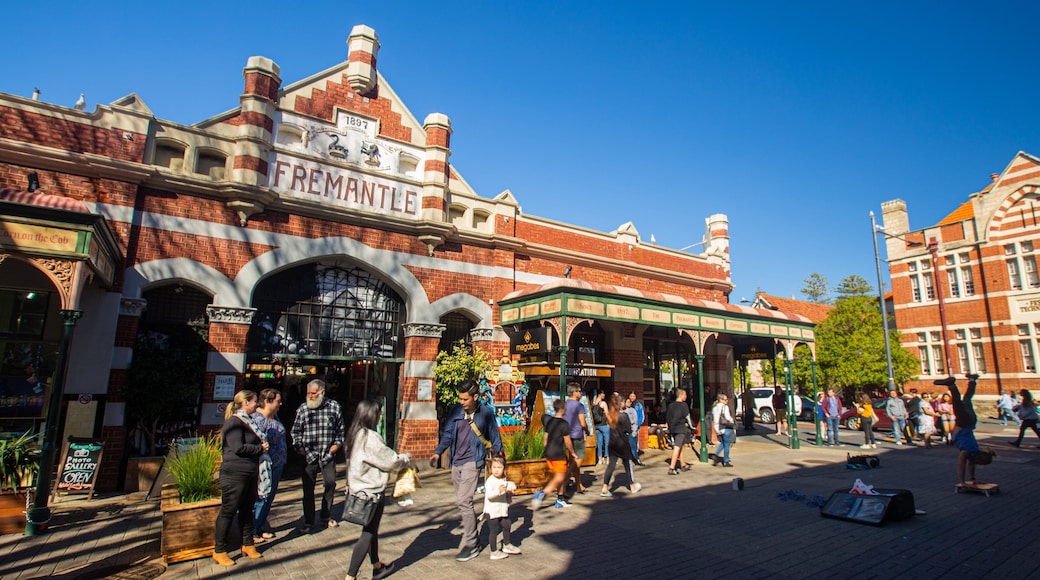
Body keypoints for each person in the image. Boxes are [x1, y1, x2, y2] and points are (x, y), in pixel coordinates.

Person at [430, 379, 503, 562]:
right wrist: (438, 453)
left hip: (473, 460)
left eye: (465, 399)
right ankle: (473, 538)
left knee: (464, 500)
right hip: (456, 461)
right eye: (460, 398)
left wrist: (500, 458)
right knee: (462, 501)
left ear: (475, 397)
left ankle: (472, 543)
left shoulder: (485, 413)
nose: (461, 402)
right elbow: (447, 433)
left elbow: (494, 435)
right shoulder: (455, 411)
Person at [344, 399, 409, 580]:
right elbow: (390, 460)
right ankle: (350, 576)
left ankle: (377, 566)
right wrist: (405, 458)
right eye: (379, 413)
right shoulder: (369, 437)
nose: (380, 416)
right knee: (368, 533)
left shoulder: (354, 434)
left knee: (371, 529)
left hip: (358, 489)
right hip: (370, 492)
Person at [213, 390, 268, 567]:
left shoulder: (249, 421)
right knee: (229, 510)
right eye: (254, 401)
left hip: (250, 472)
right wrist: (260, 448)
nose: (257, 404)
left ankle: (247, 544)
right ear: (245, 403)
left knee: (247, 509)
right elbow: (238, 447)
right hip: (234, 472)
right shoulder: (234, 422)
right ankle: (220, 549)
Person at [290, 379, 344, 532]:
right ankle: (308, 521)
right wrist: (299, 448)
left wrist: (336, 446)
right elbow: (295, 431)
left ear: (322, 392)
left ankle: (325, 516)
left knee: (330, 484)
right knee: (308, 489)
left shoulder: (334, 407)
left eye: (313, 393)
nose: (310, 396)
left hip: (327, 454)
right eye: (308, 393)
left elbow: (340, 430)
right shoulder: (303, 409)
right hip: (309, 455)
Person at [252, 388, 286, 542]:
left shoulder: (275, 417)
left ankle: (260, 526)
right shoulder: (258, 420)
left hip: (277, 463)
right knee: (261, 496)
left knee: (269, 496)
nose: (280, 404)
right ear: (267, 401)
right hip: (265, 464)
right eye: (277, 401)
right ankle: (252, 530)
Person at [531, 399, 575, 510]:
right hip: (558, 453)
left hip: (549, 453)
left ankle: (560, 499)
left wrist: (546, 449)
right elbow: (568, 441)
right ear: (562, 409)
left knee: (557, 475)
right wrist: (573, 452)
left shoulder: (550, 422)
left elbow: (545, 438)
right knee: (560, 477)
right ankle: (542, 493)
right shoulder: (564, 424)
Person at [600, 393, 641, 496]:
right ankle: (632, 485)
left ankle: (605, 486)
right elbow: (628, 429)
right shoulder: (623, 415)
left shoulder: (611, 415)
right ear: (620, 403)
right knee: (627, 464)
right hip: (623, 443)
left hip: (612, 443)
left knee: (611, 465)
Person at [484, 456, 521, 560]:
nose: (496, 470)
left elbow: (507, 492)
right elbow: (490, 495)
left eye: (499, 467)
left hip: (502, 510)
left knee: (507, 524)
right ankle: (494, 551)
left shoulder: (503, 479)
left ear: (504, 469)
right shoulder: (490, 481)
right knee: (494, 530)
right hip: (492, 511)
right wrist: (499, 491)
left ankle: (506, 544)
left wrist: (509, 494)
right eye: (494, 467)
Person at [561, 382, 589, 495]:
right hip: (577, 435)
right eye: (579, 391)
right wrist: (587, 430)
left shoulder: (564, 404)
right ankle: (562, 485)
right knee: (577, 461)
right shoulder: (579, 405)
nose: (581, 393)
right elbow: (582, 423)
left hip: (566, 436)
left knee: (572, 461)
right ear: (574, 392)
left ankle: (579, 485)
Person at [666, 388, 692, 475]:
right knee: (677, 447)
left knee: (679, 446)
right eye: (685, 395)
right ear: (681, 395)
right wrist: (692, 427)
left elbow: (668, 417)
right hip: (680, 428)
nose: (686, 396)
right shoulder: (684, 405)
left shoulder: (671, 405)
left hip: (672, 428)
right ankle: (672, 468)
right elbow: (688, 417)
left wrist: (669, 427)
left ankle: (683, 465)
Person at [711, 393, 735, 467]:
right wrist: (732, 421)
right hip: (725, 427)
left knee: (723, 443)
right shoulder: (725, 407)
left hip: (717, 428)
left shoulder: (714, 408)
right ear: (720, 400)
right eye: (725, 399)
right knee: (727, 444)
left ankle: (716, 455)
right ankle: (726, 460)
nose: (727, 401)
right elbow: (727, 418)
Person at [624, 394, 645, 465]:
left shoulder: (633, 410)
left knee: (634, 446)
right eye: (627, 402)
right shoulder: (623, 411)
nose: (629, 403)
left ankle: (636, 459)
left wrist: (635, 430)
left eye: (630, 402)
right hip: (625, 431)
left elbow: (636, 421)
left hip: (633, 431)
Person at [592, 391, 610, 464]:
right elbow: (607, 413)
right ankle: (607, 458)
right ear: (599, 394)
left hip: (596, 425)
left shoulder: (593, 403)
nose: (604, 395)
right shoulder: (603, 403)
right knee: (607, 442)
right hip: (604, 424)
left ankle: (600, 458)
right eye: (603, 393)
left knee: (599, 442)